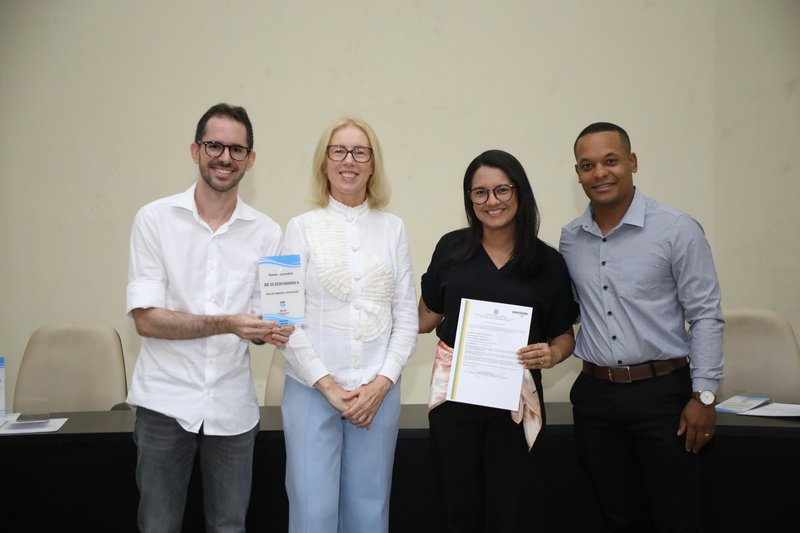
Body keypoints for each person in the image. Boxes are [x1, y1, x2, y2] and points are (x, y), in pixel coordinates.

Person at [126, 102, 293, 533]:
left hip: (232, 407)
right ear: (195, 150)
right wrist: (228, 324)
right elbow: (146, 320)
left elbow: (264, 322)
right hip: (164, 403)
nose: (225, 157)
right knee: (158, 525)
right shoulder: (154, 219)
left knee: (229, 526)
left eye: (237, 150)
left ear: (250, 160)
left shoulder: (268, 232)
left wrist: (271, 330)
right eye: (214, 145)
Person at [560, 122, 724, 533]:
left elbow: (705, 315)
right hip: (596, 399)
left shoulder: (676, 229)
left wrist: (704, 395)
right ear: (577, 173)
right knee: (617, 516)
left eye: (610, 160)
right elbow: (568, 312)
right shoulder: (570, 239)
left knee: (676, 517)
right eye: (587, 165)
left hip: (663, 397)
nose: (600, 172)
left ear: (632, 162)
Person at [418, 149, 579, 532]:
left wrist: (552, 353)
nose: (492, 201)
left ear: (520, 192)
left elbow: (564, 336)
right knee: (459, 509)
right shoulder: (451, 250)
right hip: (455, 404)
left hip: (515, 406)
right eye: (481, 192)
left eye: (502, 190)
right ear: (470, 199)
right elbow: (425, 318)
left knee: (514, 510)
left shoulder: (548, 262)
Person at [278, 117, 418, 533]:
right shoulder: (297, 227)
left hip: (378, 395)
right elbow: (282, 319)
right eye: (338, 151)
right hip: (311, 391)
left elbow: (406, 317)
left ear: (373, 164)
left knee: (370, 512)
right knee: (312, 514)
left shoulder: (394, 228)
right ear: (324, 162)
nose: (349, 161)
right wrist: (327, 385)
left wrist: (382, 383)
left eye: (360, 152)